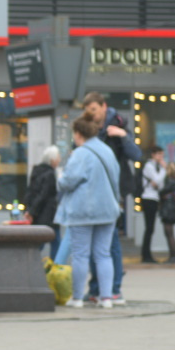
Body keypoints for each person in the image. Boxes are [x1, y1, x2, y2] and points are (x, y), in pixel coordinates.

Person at [80, 92, 143, 301]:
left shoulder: (118, 124)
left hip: (113, 191)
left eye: (94, 110)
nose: (91, 114)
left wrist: (122, 136)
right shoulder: (88, 127)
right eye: (88, 111)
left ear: (104, 106)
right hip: (92, 189)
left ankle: (114, 288)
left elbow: (136, 155)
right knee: (94, 242)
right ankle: (96, 289)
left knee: (110, 241)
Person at [56, 115, 122, 308]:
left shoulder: (80, 154)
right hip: (108, 209)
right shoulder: (108, 151)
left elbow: (67, 182)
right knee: (103, 254)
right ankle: (107, 298)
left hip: (82, 210)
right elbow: (116, 178)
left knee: (80, 255)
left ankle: (77, 298)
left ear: (78, 133)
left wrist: (59, 177)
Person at [24, 145, 61, 253]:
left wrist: (30, 211)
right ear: (52, 160)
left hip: (38, 214)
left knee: (39, 242)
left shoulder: (36, 171)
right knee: (55, 241)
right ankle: (55, 263)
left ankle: (30, 260)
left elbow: (31, 192)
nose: (59, 160)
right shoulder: (51, 174)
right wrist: (31, 211)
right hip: (49, 215)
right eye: (58, 157)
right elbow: (44, 195)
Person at [139, 145, 167, 264]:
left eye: (162, 155)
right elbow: (157, 180)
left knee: (151, 228)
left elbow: (160, 185)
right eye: (159, 154)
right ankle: (146, 255)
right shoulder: (149, 166)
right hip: (148, 198)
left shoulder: (156, 167)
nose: (161, 157)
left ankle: (147, 254)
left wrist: (157, 180)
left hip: (154, 198)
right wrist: (164, 170)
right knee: (149, 228)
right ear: (153, 154)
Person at [157, 160, 175, 265]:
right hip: (172, 210)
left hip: (169, 210)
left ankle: (173, 256)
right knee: (169, 233)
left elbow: (161, 191)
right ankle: (173, 256)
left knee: (169, 233)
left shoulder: (171, 182)